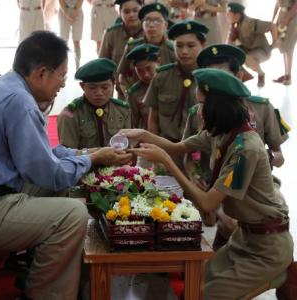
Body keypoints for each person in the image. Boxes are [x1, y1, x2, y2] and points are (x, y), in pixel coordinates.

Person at [0, 31, 132, 300]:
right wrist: (93, 159)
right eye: (62, 75)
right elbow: (48, 173)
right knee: (72, 215)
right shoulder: (20, 102)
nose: (62, 85)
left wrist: (87, 152)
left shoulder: (2, 86)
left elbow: (42, 155)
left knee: (62, 193)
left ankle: (40, 272)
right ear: (41, 73)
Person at [123, 68, 293, 299]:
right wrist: (143, 134)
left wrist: (167, 163)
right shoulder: (221, 133)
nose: (198, 111)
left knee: (203, 296)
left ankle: (280, 275)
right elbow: (178, 147)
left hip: (267, 248)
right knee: (192, 285)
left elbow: (207, 202)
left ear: (218, 106)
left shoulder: (246, 148)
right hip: (244, 238)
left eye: (202, 104)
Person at [183, 43, 290, 230]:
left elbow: (279, 157)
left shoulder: (262, 108)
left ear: (239, 77)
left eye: (223, 78)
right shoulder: (197, 112)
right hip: (212, 182)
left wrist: (258, 158)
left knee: (261, 214)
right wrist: (194, 175)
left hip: (253, 185)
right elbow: (187, 154)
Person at [144, 20, 207, 169]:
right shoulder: (162, 76)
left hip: (201, 152)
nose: (184, 51)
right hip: (167, 148)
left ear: (203, 46)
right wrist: (156, 152)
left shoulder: (210, 79)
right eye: (179, 45)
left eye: (191, 46)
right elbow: (153, 119)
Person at [58, 58, 132, 149]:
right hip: (85, 162)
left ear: (113, 84)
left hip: (118, 162)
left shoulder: (122, 110)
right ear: (82, 86)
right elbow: (67, 154)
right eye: (92, 88)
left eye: (105, 87)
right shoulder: (70, 115)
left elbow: (129, 145)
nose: (99, 93)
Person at [117, 3, 175, 96]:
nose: (152, 25)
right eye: (147, 20)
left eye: (157, 21)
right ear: (142, 24)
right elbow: (121, 75)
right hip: (139, 100)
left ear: (166, 25)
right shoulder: (132, 47)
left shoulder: (173, 50)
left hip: (166, 99)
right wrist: (129, 95)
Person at [226, 2, 278, 87]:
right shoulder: (234, 25)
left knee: (247, 59)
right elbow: (228, 45)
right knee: (232, 54)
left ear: (237, 15)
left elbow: (272, 25)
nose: (227, 15)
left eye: (229, 13)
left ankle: (261, 74)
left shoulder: (250, 23)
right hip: (248, 49)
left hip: (262, 50)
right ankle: (242, 76)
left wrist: (275, 41)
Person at [125, 43, 161, 129]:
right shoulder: (134, 93)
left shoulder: (171, 82)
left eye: (149, 68)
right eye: (140, 71)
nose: (146, 75)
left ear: (159, 62)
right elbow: (132, 124)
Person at [99, 0, 143, 66]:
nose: (131, 15)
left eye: (135, 10)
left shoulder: (150, 32)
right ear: (120, 13)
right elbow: (102, 64)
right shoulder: (111, 34)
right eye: (126, 12)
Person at [272, 0, 297, 85]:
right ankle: (286, 73)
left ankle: (288, 76)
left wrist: (287, 18)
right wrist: (273, 18)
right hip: (282, 15)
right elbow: (277, 2)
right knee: (283, 46)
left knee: (289, 46)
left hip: (293, 17)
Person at [58, 0, 84, 69]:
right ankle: (63, 68)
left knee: (76, 41)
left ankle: (78, 67)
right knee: (64, 42)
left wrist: (76, 11)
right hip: (64, 10)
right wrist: (66, 13)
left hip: (78, 11)